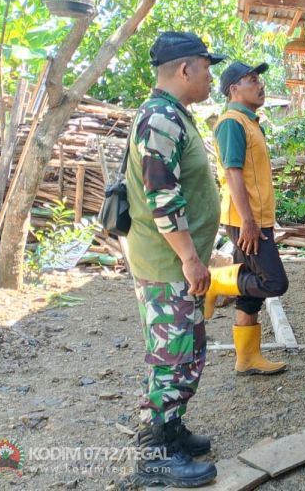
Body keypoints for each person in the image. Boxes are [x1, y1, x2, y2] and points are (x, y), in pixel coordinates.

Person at [125, 31, 225, 487]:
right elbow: (162, 197)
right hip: (169, 265)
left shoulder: (172, 115)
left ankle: (173, 430)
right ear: (185, 69)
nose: (210, 77)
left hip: (175, 263)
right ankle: (157, 455)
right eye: (207, 68)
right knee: (172, 357)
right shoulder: (162, 118)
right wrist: (189, 258)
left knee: (186, 351)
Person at [203, 60, 289, 375]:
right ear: (233, 89)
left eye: (259, 79)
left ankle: (247, 358)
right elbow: (233, 172)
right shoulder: (232, 123)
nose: (260, 84)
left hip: (253, 217)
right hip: (244, 219)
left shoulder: (250, 122)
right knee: (274, 282)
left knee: (250, 289)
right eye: (252, 79)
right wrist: (249, 221)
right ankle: (214, 282)